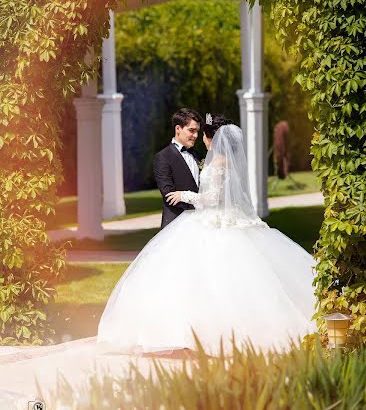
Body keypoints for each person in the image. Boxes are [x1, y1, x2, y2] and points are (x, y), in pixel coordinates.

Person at [97, 114, 316, 355]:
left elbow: (211, 199)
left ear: (209, 137)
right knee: (229, 281)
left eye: (200, 132)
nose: (198, 136)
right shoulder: (227, 162)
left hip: (210, 220)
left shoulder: (216, 164)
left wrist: (185, 195)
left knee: (201, 280)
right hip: (226, 219)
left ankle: (198, 334)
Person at [153, 108, 203, 229]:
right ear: (178, 129)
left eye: (197, 131)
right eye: (191, 130)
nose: (195, 135)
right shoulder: (162, 157)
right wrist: (200, 203)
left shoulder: (199, 156)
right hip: (176, 225)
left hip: (202, 222)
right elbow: (169, 195)